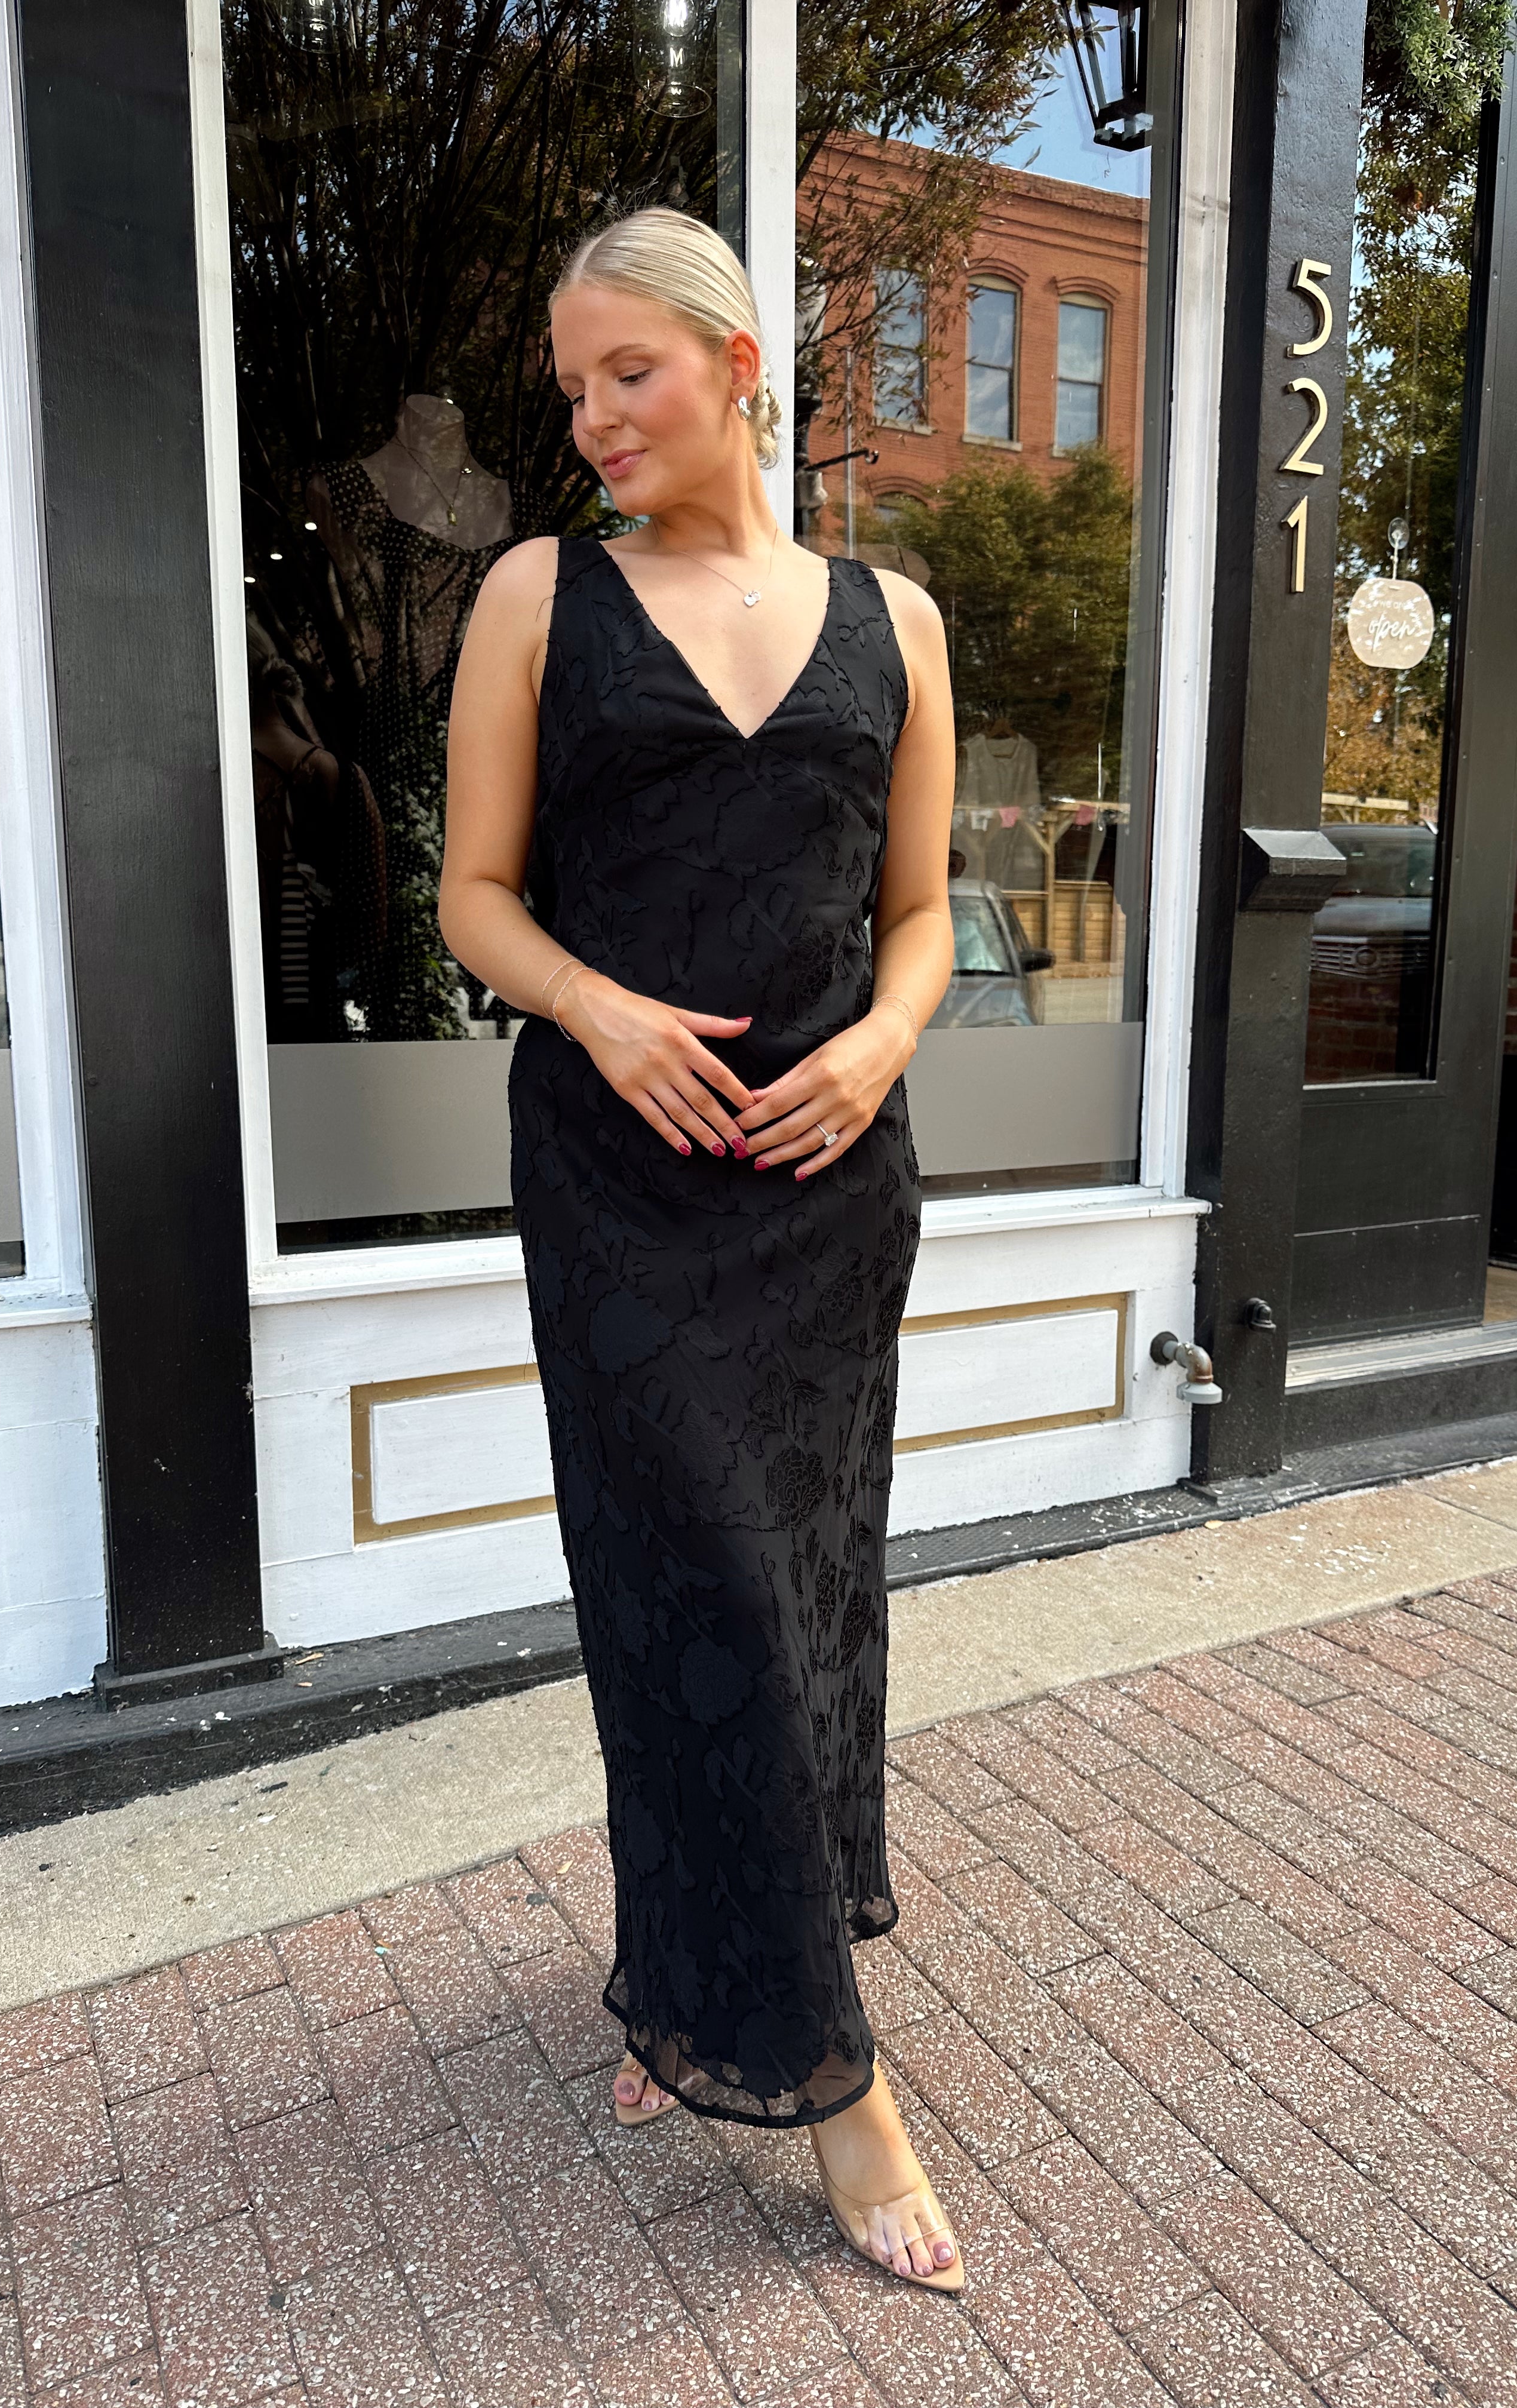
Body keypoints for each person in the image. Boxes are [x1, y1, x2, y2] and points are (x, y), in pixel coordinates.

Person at [440, 206, 960, 2290]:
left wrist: (886, 1046)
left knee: (806, 1586)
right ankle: (840, 2093)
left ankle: (689, 1975)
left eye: (624, 374)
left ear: (741, 363)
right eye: (570, 386)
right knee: (696, 1594)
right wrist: (598, 1008)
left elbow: (919, 909)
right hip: (623, 1185)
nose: (589, 419)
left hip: (832, 1192)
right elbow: (474, 894)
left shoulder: (897, 618)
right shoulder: (535, 599)